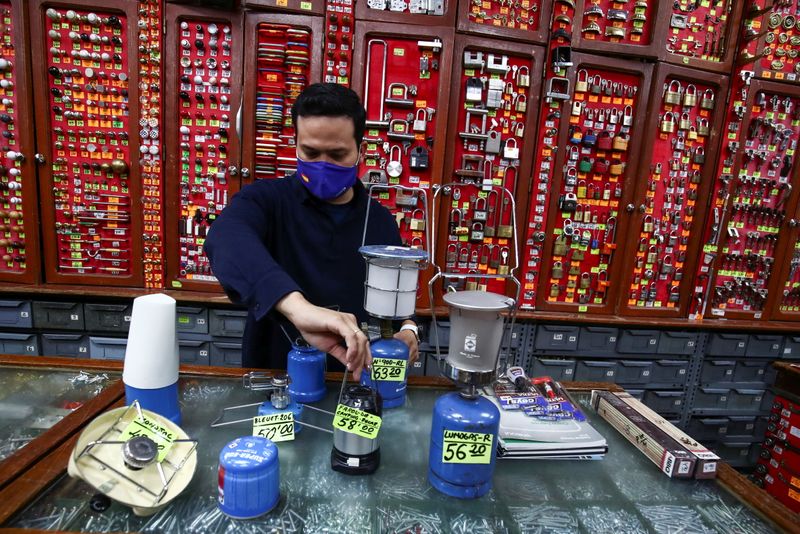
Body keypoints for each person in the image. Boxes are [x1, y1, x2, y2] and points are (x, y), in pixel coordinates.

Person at [205, 83, 419, 380]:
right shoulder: (266, 200)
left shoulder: (380, 221)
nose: (322, 165)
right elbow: (225, 238)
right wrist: (297, 307)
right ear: (296, 145)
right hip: (276, 380)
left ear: (361, 151)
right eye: (311, 152)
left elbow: (399, 304)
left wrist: (409, 330)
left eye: (337, 154)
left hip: (354, 381)